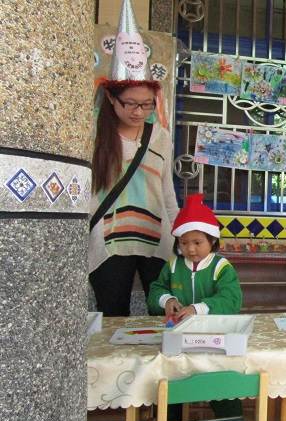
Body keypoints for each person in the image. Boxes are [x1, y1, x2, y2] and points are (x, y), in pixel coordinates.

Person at [88, 0, 179, 317]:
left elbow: (167, 191)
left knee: (162, 315)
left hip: (155, 239)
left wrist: (179, 235)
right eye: (130, 104)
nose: (139, 112)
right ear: (111, 97)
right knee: (112, 315)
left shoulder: (160, 137)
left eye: (146, 105)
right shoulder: (95, 137)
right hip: (110, 244)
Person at [147, 193, 242, 320]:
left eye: (197, 243)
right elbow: (155, 291)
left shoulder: (221, 267)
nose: (190, 249)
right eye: (184, 243)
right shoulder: (173, 266)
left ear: (213, 240)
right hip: (179, 328)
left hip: (213, 329)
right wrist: (167, 300)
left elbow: (231, 299)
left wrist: (198, 309)